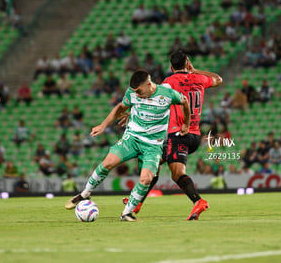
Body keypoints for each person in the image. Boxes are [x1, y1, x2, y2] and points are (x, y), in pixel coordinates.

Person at [65, 69, 191, 222]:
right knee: (107, 163)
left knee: (146, 179)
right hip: (132, 138)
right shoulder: (132, 93)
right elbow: (120, 107)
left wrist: (186, 123)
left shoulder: (167, 94)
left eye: (139, 91)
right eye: (134, 91)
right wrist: (103, 125)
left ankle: (126, 213)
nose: (136, 94)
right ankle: (84, 194)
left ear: (149, 84)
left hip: (152, 145)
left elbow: (185, 102)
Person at [125, 51, 223, 220]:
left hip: (178, 134)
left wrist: (134, 113)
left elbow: (152, 97)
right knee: (154, 162)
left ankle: (198, 201)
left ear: (171, 67)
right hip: (193, 135)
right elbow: (218, 79)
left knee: (177, 173)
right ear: (187, 63)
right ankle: (137, 201)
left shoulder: (169, 82)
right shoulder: (199, 79)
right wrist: (195, 70)